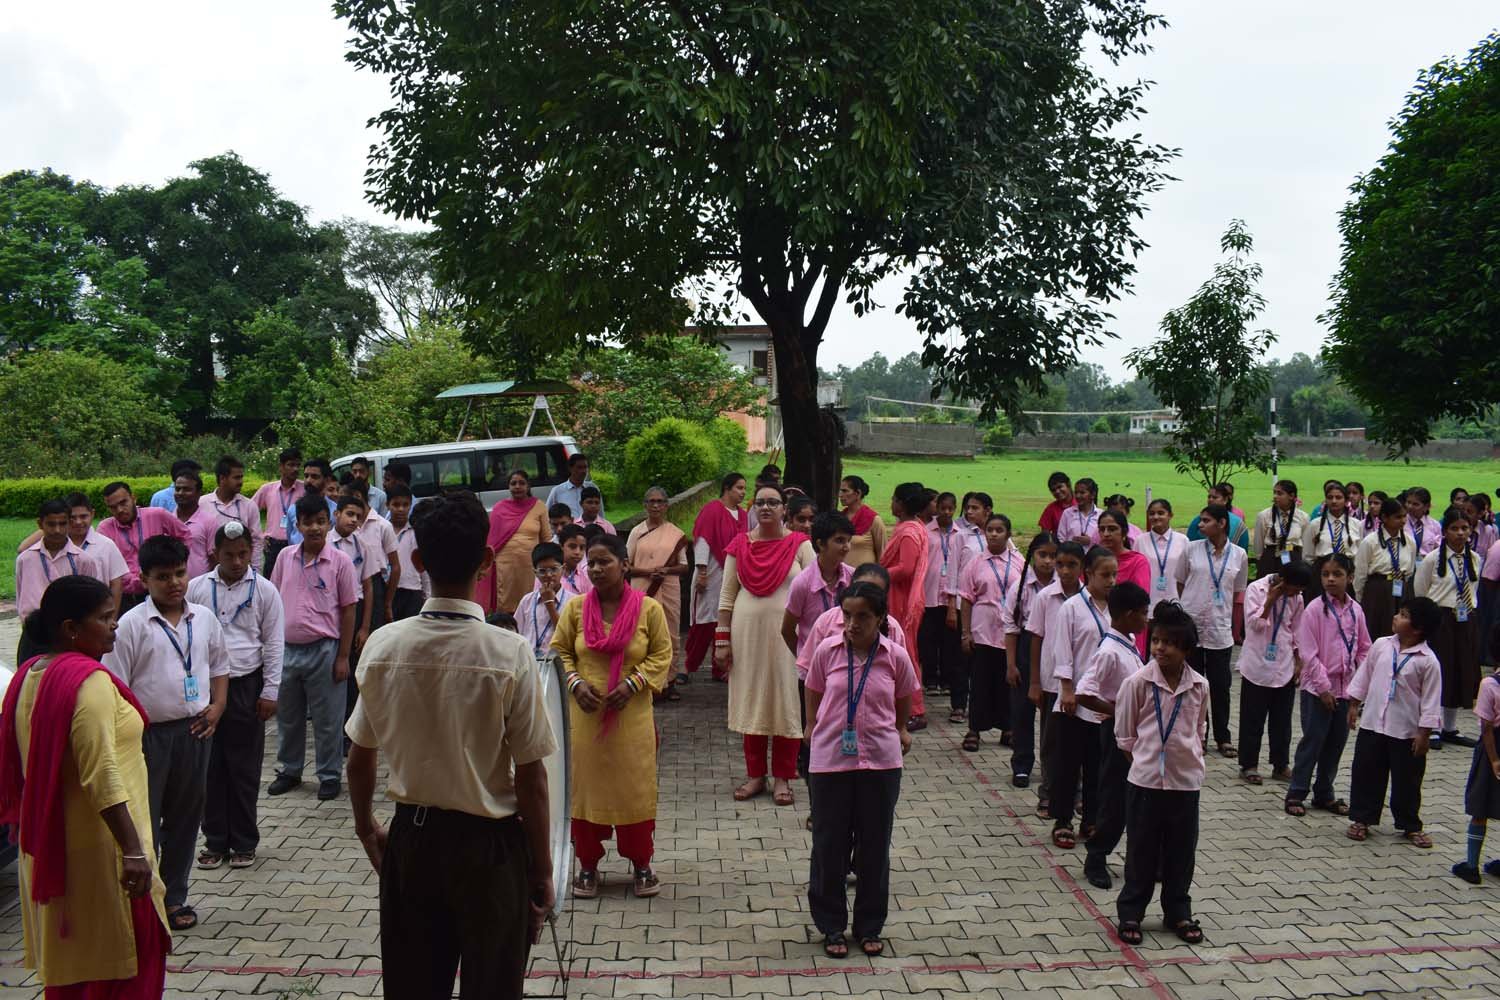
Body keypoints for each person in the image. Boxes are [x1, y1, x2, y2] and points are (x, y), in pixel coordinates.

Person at [346, 489, 557, 999]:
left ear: (418, 561)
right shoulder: (510, 652)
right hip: (490, 848)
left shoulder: (384, 644)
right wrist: (542, 869)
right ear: (486, 560)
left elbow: (359, 757)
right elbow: (531, 777)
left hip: (413, 842)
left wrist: (366, 827)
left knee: (414, 987)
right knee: (492, 987)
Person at [0, 576, 170, 997]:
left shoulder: (28, 676)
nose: (115, 624)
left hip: (55, 851)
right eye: (105, 618)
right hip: (105, 855)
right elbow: (101, 774)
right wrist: (133, 852)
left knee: (76, 975)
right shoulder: (88, 683)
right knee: (128, 965)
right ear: (71, 628)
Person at [104, 535, 229, 933]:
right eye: (162, 577)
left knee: (185, 816)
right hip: (147, 736)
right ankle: (145, 901)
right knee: (145, 819)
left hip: (195, 731)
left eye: (179, 573)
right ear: (143, 579)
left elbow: (220, 666)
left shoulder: (203, 618)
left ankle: (175, 896)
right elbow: (116, 686)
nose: (174, 583)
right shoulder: (131, 625)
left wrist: (218, 706)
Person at [555, 533, 674, 899]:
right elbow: (560, 651)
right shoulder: (575, 609)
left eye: (604, 561)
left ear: (624, 565)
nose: (596, 568)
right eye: (590, 562)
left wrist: (634, 683)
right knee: (585, 790)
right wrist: (575, 683)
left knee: (633, 789)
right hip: (585, 719)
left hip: (632, 720)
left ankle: (642, 863)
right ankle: (587, 864)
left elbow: (662, 654)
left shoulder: (648, 610)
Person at [803, 581, 916, 960]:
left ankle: (869, 925)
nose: (853, 624)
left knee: (874, 846)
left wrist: (900, 729)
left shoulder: (894, 656)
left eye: (863, 616)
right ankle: (831, 925)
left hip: (881, 762)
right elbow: (813, 688)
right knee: (829, 845)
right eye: (847, 615)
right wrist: (810, 725)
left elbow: (904, 695)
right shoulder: (827, 651)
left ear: (880, 618)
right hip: (830, 761)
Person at [187, 522, 285, 871]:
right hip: (207, 689)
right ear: (215, 554)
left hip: (246, 685)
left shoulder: (265, 590)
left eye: (243, 554)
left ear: (252, 552)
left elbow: (274, 642)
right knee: (210, 768)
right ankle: (215, 840)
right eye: (229, 555)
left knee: (243, 768)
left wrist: (270, 690)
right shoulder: (197, 588)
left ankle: (244, 841)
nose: (237, 561)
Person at [1113, 602, 1210, 947]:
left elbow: (1199, 729)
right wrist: (1147, 763)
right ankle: (1131, 912)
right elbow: (1125, 736)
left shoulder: (1199, 685)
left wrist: (1189, 759)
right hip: (1146, 782)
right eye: (1155, 640)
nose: (1160, 648)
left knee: (1182, 851)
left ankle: (1178, 910)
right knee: (1141, 849)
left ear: (1186, 649)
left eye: (1169, 642)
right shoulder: (1137, 683)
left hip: (1185, 783)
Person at [716, 484, 814, 805]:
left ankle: (783, 776)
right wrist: (721, 640)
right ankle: (756, 775)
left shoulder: (800, 544)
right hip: (747, 635)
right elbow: (727, 596)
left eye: (773, 502)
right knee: (752, 699)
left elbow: (815, 589)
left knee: (787, 700)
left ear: (784, 508)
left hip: (789, 638)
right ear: (753, 508)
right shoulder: (739, 545)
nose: (766, 508)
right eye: (760, 503)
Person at [269, 493, 360, 802]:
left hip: (325, 650)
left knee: (328, 719)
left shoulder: (341, 562)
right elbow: (272, 601)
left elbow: (349, 609)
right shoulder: (285, 557)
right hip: (288, 650)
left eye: (321, 521)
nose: (315, 528)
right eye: (308, 522)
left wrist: (343, 656)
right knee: (288, 716)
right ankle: (290, 770)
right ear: (298, 524)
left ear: (329, 522)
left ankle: (330, 775)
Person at [1346, 598, 1443, 849]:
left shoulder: (1428, 661)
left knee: (1407, 780)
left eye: (1403, 615)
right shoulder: (1381, 645)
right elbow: (1365, 675)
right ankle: (1362, 819)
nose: (1396, 617)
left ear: (1418, 628)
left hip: (1406, 731)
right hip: (1373, 725)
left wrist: (1424, 734)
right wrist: (1354, 704)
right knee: (1366, 773)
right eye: (1398, 613)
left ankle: (1410, 824)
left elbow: (1431, 701)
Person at [1074, 581, 1150, 890]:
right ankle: (1096, 856)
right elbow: (1084, 692)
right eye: (1143, 613)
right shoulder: (1109, 651)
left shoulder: (1127, 641)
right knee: (1114, 799)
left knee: (1139, 798)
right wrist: (1118, 710)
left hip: (1136, 731)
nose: (1146, 619)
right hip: (1116, 732)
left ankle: (1141, 861)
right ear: (1129, 615)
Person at [1288, 554, 1369, 817]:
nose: (1331, 579)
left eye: (1337, 574)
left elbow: (1364, 648)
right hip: (1317, 689)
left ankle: (1324, 793)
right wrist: (1323, 688)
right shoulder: (1314, 609)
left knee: (1336, 743)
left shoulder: (1356, 610)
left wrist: (1358, 685)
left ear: (1350, 577)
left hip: (1346, 689)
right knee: (1313, 741)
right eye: (1325, 574)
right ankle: (1296, 792)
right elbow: (1308, 653)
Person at [1049, 544, 1118, 849]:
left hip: (1103, 700)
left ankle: (1091, 818)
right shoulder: (1073, 607)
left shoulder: (1116, 608)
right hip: (1075, 698)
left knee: (1097, 764)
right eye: (1105, 575)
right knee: (1067, 763)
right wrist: (1066, 688)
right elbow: (1063, 649)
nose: (1111, 580)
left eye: (1114, 575)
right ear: (1088, 573)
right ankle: (1062, 819)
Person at [1177, 504, 1248, 758]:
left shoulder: (1239, 555)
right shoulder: (1191, 549)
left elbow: (1237, 589)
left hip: (1220, 629)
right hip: (1192, 627)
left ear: (1222, 523)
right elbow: (1180, 582)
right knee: (1194, 684)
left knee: (1220, 686)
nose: (1200, 525)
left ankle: (1223, 737)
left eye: (1206, 520)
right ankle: (1199, 734)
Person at [1237, 561, 1311, 785]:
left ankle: (1280, 764)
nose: (1296, 594)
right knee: (1253, 718)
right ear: (1284, 581)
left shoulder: (1297, 599)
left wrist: (1299, 660)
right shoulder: (1256, 589)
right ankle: (1249, 764)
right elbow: (1254, 625)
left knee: (1282, 720)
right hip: (1257, 663)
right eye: (1294, 589)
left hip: (1283, 663)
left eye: (1300, 591)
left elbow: (1297, 630)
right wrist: (1270, 600)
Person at [1026, 540, 1085, 818]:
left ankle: (1077, 794)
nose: (1064, 571)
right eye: (1060, 564)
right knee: (1051, 743)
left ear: (1083, 567)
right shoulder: (1045, 597)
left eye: (1071, 565)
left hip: (1081, 683)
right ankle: (1048, 793)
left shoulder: (1089, 598)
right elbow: (1036, 638)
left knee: (1080, 742)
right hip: (1051, 682)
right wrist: (1034, 682)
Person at [1414, 506, 1482, 749]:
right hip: (1441, 619)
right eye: (1454, 529)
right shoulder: (1433, 559)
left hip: (1465, 618)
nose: (1460, 533)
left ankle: (1450, 727)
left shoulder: (1475, 559)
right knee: (1439, 671)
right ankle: (1432, 726)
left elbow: (1474, 590)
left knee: (1460, 670)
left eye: (1465, 528)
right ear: (1444, 532)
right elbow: (1421, 590)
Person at [14, 499, 109, 665]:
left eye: (62, 524)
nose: (57, 530)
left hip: (70, 637)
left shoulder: (83, 560)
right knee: (31, 677)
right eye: (51, 524)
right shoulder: (26, 559)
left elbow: (92, 601)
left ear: (69, 523)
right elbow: (21, 595)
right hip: (35, 635)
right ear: (40, 524)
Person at [959, 513, 1021, 752]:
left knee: (1008, 682)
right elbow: (966, 599)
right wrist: (966, 633)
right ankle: (975, 729)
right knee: (980, 682)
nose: (994, 534)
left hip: (1010, 633)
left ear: (1008, 534)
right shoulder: (976, 563)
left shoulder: (1018, 562)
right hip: (983, 631)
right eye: (990, 530)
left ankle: (1008, 728)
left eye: (999, 530)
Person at [1003, 532, 1059, 789]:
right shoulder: (1021, 586)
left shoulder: (1066, 586)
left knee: (1053, 712)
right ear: (1032, 555)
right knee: (1022, 711)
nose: (1048, 561)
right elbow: (1011, 628)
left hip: (1056, 647)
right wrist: (1011, 664)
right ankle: (1022, 764)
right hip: (1026, 648)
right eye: (1042, 555)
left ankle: (1052, 767)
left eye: (1053, 556)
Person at [625, 486, 691, 686]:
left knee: (669, 634)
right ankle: (643, 682)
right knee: (642, 634)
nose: (655, 506)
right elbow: (626, 566)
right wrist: (648, 572)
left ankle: (668, 682)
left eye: (660, 502)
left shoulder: (675, 533)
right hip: (642, 589)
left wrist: (666, 570)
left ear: (666, 506)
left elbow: (684, 566)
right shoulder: (636, 532)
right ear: (645, 505)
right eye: (651, 501)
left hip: (668, 588)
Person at [879, 483, 931, 731]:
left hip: (902, 599)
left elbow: (906, 569)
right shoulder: (911, 526)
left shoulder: (909, 532)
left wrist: (877, 573)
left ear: (901, 504)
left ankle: (915, 710)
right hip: (900, 596)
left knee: (905, 652)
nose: (891, 503)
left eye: (894, 499)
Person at [687, 473, 749, 676]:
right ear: (727, 488)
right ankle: (688, 665)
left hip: (732, 575)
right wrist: (702, 571)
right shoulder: (712, 509)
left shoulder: (743, 515)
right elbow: (702, 540)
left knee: (727, 619)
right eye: (739, 488)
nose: (743, 492)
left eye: (744, 488)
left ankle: (720, 668)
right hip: (711, 572)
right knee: (704, 619)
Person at [98, 481, 191, 615]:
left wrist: (176, 561)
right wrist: (137, 581)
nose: (119, 510)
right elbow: (108, 566)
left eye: (123, 503)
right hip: (127, 597)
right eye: (113, 507)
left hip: (160, 590)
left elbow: (185, 535)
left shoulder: (157, 515)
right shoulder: (105, 528)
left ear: (133, 498)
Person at [1452, 654, 1500, 883]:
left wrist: (1494, 760)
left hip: (1492, 750)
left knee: (1480, 806)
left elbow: (1487, 727)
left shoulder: (1490, 684)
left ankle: (1472, 866)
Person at [478, 469, 552, 615]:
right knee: (506, 607)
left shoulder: (539, 506)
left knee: (530, 605)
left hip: (530, 566)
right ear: (509, 486)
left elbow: (546, 538)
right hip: (505, 566)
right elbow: (492, 540)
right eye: (513, 483)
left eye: (521, 483)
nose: (517, 486)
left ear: (528, 486)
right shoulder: (499, 508)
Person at [921, 493, 966, 718]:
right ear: (936, 507)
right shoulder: (926, 531)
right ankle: (931, 679)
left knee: (950, 641)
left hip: (951, 595)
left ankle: (947, 679)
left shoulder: (960, 534)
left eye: (951, 508)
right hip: (929, 592)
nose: (947, 512)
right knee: (929, 639)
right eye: (943, 508)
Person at [1355, 498, 1415, 641]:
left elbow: (1410, 570)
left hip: (1401, 589)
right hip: (1378, 591)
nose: (1403, 521)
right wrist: (1362, 599)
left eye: (1404, 516)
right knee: (1376, 629)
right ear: (1384, 518)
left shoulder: (1409, 542)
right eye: (1398, 517)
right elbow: (1360, 573)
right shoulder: (1370, 542)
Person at [331, 495, 379, 673]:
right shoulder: (325, 543)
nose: (354, 520)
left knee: (353, 662)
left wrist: (365, 627)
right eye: (349, 514)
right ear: (337, 513)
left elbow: (368, 587)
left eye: (358, 517)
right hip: (331, 608)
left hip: (356, 609)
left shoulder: (362, 546)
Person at [346, 479, 401, 633]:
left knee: (374, 632)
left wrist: (388, 601)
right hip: (351, 582)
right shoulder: (348, 527)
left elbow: (395, 566)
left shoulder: (383, 526)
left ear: (358, 496)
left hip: (376, 585)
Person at [1098, 509, 1150, 659]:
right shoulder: (1094, 560)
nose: (1106, 534)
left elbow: (1138, 603)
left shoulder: (1137, 562)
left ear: (1124, 532)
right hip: (1096, 625)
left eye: (1112, 529)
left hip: (1128, 627)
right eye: (1102, 529)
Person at [1302, 482, 1362, 603]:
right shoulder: (1315, 524)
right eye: (1330, 497)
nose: (1334, 501)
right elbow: (1307, 555)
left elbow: (1359, 554)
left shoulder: (1356, 525)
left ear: (1346, 501)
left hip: (1346, 574)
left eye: (1338, 497)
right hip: (1322, 575)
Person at [253, 447, 306, 577]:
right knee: (270, 581)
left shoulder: (305, 489)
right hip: (272, 545)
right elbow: (249, 511)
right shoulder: (267, 489)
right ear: (281, 467)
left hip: (296, 544)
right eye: (291, 465)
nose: (295, 469)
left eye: (298, 465)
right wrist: (260, 536)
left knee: (293, 580)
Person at [516, 543, 572, 662]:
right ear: (535, 572)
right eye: (542, 571)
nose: (548, 575)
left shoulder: (572, 601)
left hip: (558, 663)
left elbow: (567, 636)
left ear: (563, 569)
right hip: (528, 662)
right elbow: (517, 634)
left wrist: (550, 604)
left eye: (554, 569)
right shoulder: (527, 601)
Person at [205, 455, 263, 568]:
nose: (241, 482)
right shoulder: (203, 503)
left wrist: (255, 571)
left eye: (241, 477)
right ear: (222, 478)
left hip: (240, 569)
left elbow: (256, 541)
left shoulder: (249, 506)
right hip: (211, 571)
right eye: (236, 478)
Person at [385, 485, 427, 621]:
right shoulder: (381, 530)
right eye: (396, 505)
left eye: (405, 505)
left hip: (412, 591)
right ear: (387, 505)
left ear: (410, 506)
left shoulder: (416, 532)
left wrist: (427, 597)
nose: (401, 509)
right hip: (387, 591)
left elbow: (424, 569)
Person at [170, 468, 219, 580]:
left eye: (186, 489)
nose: (180, 493)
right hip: (174, 585)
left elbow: (214, 559)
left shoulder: (209, 521)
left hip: (202, 585)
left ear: (198, 493)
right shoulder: (168, 521)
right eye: (178, 489)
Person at [1254, 480, 1309, 578]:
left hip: (1293, 556)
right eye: (1274, 493)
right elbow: (1259, 543)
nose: (1275, 496)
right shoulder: (1264, 516)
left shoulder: (1303, 517)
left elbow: (1306, 543)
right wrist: (1260, 560)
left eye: (1280, 493)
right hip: (1271, 558)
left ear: (1291, 496)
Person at [287, 459, 339, 547]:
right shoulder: (293, 509)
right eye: (306, 476)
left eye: (314, 477)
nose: (308, 480)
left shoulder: (336, 511)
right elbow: (290, 539)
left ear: (327, 480)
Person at [840, 475, 886, 567]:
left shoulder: (874, 519)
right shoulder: (839, 518)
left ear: (858, 493)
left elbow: (883, 553)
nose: (840, 495)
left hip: (866, 574)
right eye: (840, 491)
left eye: (845, 491)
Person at [546, 452, 598, 519]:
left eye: (585, 467)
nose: (583, 471)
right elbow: (546, 514)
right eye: (579, 467)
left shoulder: (593, 488)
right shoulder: (557, 491)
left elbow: (600, 514)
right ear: (570, 468)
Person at [1056, 477, 1102, 546]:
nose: (1077, 496)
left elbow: (1105, 541)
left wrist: (1091, 541)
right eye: (1076, 492)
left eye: (1082, 493)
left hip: (1094, 552)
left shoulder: (1101, 515)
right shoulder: (1067, 513)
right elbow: (1061, 538)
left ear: (1093, 495)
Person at [556, 525, 595, 600]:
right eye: (572, 547)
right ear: (561, 547)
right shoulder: (549, 573)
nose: (577, 552)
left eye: (582, 548)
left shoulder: (586, 576)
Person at [1405, 487, 1442, 564]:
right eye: (1408, 502)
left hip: (1427, 565)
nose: (1410, 506)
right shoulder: (1401, 523)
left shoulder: (1435, 525)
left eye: (1415, 504)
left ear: (1426, 506)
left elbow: (1439, 549)